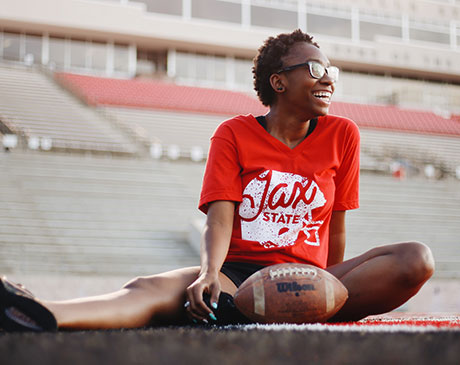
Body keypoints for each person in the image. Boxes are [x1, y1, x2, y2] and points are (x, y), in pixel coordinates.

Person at [0, 29, 434, 331]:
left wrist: (328, 288)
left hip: (307, 277)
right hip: (238, 275)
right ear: (279, 82)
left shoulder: (344, 134)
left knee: (416, 258)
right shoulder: (234, 132)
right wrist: (209, 272)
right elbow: (220, 218)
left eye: (331, 72)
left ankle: (309, 310)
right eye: (316, 71)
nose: (328, 81)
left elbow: (336, 226)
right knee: (150, 289)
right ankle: (38, 313)